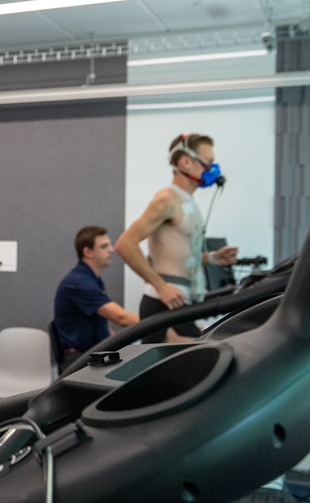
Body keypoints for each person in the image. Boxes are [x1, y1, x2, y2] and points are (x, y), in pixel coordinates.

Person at [115, 134, 238, 343]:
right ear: (186, 162)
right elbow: (125, 244)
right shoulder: (166, 200)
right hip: (163, 302)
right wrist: (161, 286)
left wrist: (213, 258)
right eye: (208, 162)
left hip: (181, 301)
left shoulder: (186, 201)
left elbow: (179, 253)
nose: (212, 169)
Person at [53, 226, 139, 369]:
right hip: (79, 360)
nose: (111, 250)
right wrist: (160, 319)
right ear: (88, 252)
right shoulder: (79, 283)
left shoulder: (92, 279)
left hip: (91, 353)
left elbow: (102, 326)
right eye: (104, 246)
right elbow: (121, 318)